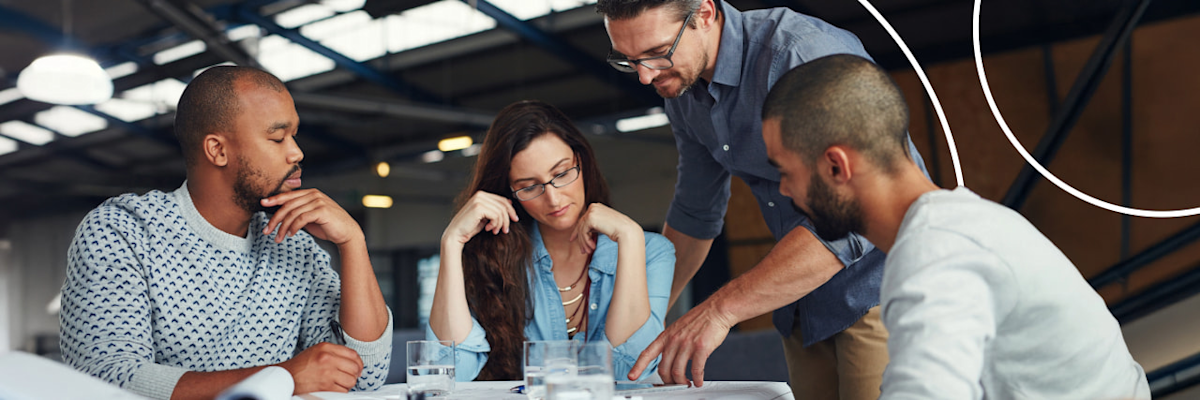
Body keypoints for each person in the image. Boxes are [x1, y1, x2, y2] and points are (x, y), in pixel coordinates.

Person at [761, 53, 1151, 399]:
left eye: (785, 172)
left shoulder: (937, 256)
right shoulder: (955, 228)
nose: (783, 190)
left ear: (836, 167)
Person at [598, 0, 927, 396]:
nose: (645, 77)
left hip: (880, 287)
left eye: (657, 53)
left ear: (704, 13)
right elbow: (695, 211)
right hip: (800, 300)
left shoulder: (802, 53)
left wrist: (720, 309)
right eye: (629, 60)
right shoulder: (681, 87)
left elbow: (855, 211)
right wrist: (642, 321)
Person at [59, 66, 393, 400]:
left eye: (293, 136)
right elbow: (104, 380)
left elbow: (364, 377)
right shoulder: (122, 231)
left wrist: (352, 242)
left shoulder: (294, 246)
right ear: (218, 150)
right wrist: (281, 378)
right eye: (277, 138)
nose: (296, 153)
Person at [427, 100, 675, 381]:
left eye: (561, 174)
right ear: (509, 193)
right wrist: (451, 242)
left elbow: (630, 370)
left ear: (582, 161)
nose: (554, 198)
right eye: (530, 186)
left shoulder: (652, 252)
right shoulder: (492, 256)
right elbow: (450, 371)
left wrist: (630, 238)